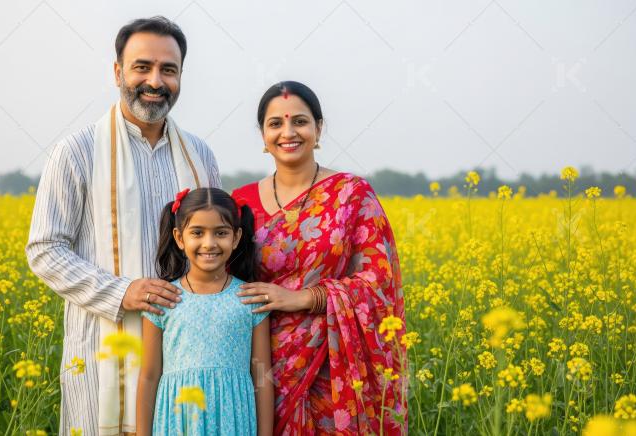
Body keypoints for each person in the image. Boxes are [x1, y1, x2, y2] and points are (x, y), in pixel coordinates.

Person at [25, 16, 220, 435]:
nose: (155, 80)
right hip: (104, 345)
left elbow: (218, 247)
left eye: (168, 70)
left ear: (181, 76)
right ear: (118, 72)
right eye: (142, 67)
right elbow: (44, 249)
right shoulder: (77, 152)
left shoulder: (200, 156)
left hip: (187, 356)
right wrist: (123, 291)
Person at [232, 81, 408, 435]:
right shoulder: (241, 201)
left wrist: (305, 298)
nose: (288, 132)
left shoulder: (351, 194)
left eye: (300, 121)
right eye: (275, 124)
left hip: (336, 364)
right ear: (263, 135)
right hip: (263, 364)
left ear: (318, 128)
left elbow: (380, 282)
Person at [136, 187, 273, 436]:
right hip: (178, 422)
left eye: (220, 233)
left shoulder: (250, 299)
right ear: (179, 238)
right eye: (197, 233)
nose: (209, 243)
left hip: (235, 421)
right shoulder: (163, 299)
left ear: (236, 237)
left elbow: (263, 378)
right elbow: (149, 376)